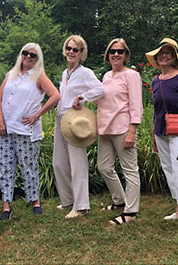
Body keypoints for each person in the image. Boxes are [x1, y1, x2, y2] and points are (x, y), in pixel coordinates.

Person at [0, 43, 60, 220]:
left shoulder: (39, 76)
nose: (29, 57)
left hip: (26, 130)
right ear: (21, 55)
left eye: (33, 55)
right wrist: (0, 121)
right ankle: (6, 204)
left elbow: (55, 95)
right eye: (26, 53)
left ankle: (35, 200)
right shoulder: (11, 75)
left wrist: (37, 114)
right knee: (6, 167)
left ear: (37, 59)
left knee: (29, 167)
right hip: (6, 130)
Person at [146, 38, 178, 234]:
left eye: (168, 53)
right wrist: (153, 134)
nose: (164, 56)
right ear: (157, 58)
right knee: (169, 171)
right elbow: (156, 110)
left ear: (174, 57)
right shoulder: (155, 80)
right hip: (162, 132)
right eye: (161, 53)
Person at [53, 35, 104, 219]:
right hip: (60, 119)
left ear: (82, 53)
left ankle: (81, 206)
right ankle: (67, 200)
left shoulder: (85, 72)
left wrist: (82, 98)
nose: (71, 52)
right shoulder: (65, 73)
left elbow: (100, 89)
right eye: (68, 48)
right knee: (59, 162)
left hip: (74, 120)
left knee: (77, 164)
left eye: (75, 49)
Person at [95, 38, 143, 225]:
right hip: (105, 128)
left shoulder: (131, 75)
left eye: (120, 52)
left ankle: (130, 212)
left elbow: (136, 105)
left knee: (130, 170)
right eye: (112, 51)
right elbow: (102, 100)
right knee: (104, 167)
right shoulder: (106, 76)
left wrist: (132, 130)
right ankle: (120, 200)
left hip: (123, 128)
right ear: (108, 55)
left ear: (125, 55)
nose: (116, 54)